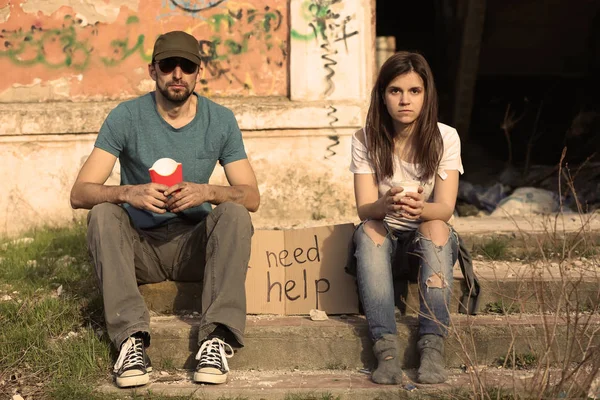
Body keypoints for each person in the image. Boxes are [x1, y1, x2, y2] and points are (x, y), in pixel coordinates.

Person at [70, 31, 260, 388]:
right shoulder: (126, 117)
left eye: (186, 66)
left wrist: (208, 191)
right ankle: (131, 340)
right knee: (102, 213)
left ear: (198, 72)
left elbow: (252, 197)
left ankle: (215, 338)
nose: (177, 74)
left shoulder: (220, 120)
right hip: (141, 247)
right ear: (152, 70)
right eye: (168, 65)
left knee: (234, 213)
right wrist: (129, 193)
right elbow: (80, 193)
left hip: (195, 249)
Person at [349, 51, 463, 385]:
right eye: (395, 91)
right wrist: (383, 205)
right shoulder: (365, 138)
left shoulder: (446, 137)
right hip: (384, 233)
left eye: (414, 91)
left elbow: (445, 208)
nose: (405, 100)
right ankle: (385, 350)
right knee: (368, 230)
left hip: (425, 239)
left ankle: (432, 346)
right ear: (382, 97)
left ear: (427, 96)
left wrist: (421, 209)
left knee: (437, 228)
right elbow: (364, 208)